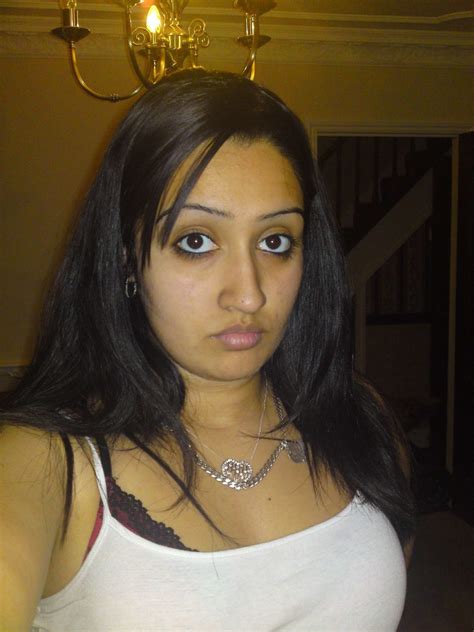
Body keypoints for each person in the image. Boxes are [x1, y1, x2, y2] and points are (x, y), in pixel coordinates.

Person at [0, 69, 415, 631]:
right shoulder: (46, 461)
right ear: (126, 257)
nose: (248, 294)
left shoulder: (358, 416)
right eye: (196, 241)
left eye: (275, 241)